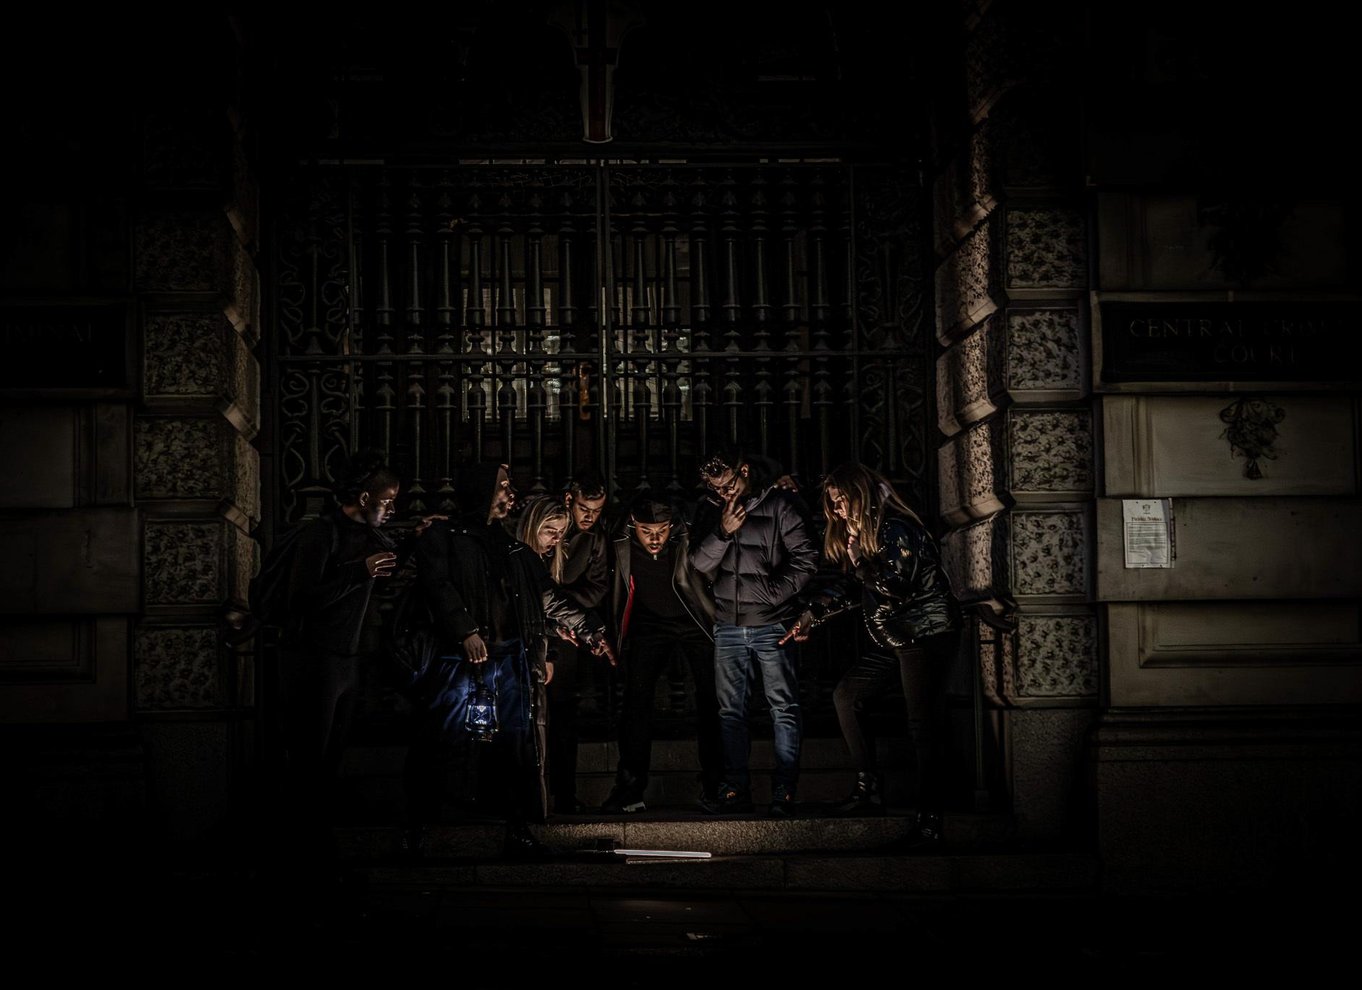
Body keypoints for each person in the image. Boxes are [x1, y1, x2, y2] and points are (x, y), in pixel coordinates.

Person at [412, 463, 615, 858]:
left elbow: (547, 598)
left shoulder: (512, 548)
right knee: (443, 737)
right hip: (461, 658)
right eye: (503, 486)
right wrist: (465, 630)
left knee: (515, 744)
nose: (510, 494)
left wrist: (591, 630)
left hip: (507, 658)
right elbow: (438, 586)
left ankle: (516, 828)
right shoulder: (446, 536)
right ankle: (421, 823)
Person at [781, 462, 962, 848]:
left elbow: (896, 585)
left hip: (925, 633)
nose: (838, 510)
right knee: (847, 695)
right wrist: (814, 613)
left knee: (922, 724)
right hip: (895, 637)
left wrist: (860, 561)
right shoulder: (866, 533)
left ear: (860, 495)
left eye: (842, 501)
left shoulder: (895, 528)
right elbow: (857, 588)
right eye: (833, 504)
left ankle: (930, 817)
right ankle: (868, 789)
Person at [689, 443, 818, 816]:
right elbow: (699, 562)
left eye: (727, 485)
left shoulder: (779, 504)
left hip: (772, 623)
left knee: (784, 708)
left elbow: (808, 557)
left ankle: (784, 791)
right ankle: (736, 789)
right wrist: (723, 531)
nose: (723, 493)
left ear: (743, 471)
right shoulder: (711, 508)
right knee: (730, 711)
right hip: (728, 625)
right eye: (715, 488)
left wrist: (772, 595)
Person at [599, 493, 722, 813]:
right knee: (636, 701)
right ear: (633, 525)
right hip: (649, 622)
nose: (655, 539)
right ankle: (630, 788)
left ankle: (717, 784)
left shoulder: (688, 532)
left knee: (712, 699)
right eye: (646, 531)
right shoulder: (618, 536)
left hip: (694, 620)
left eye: (662, 530)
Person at [547, 471, 612, 813]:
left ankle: (564, 794)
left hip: (569, 633)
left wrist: (563, 609)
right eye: (585, 509)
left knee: (563, 714)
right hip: (541, 628)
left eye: (597, 511)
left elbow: (598, 587)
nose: (590, 517)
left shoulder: (595, 538)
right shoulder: (548, 526)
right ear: (570, 501)